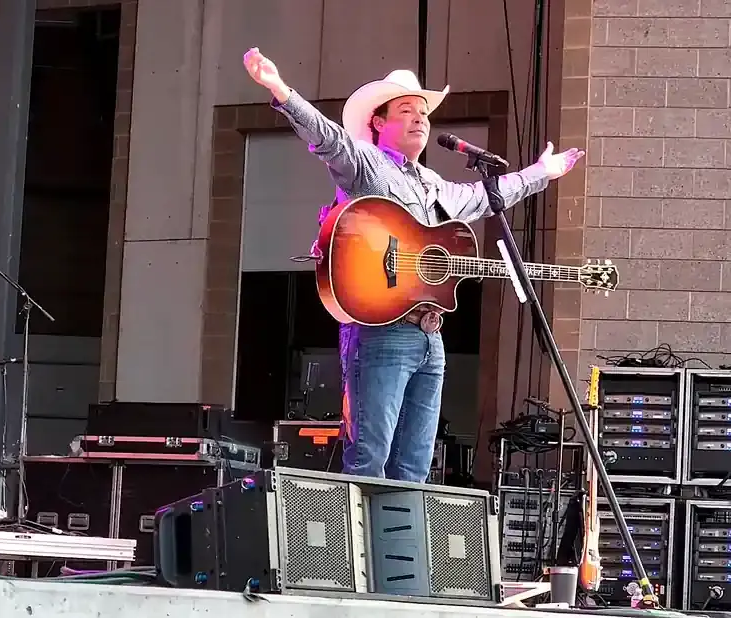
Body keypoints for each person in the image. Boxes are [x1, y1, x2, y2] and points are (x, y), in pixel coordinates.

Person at [243, 47, 584, 483]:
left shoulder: (434, 185)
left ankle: (399, 549)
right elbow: (328, 139)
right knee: (370, 456)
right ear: (379, 123)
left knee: (416, 466)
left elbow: (485, 196)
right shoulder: (367, 165)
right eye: (407, 109)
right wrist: (281, 91)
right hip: (380, 330)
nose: (420, 117)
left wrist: (542, 172)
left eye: (423, 111)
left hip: (430, 336)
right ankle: (355, 550)